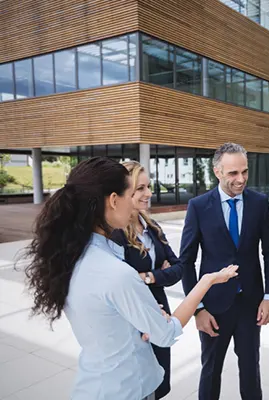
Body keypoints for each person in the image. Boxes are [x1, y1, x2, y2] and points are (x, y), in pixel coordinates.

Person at [23, 157, 238, 400]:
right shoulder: (116, 272)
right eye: (132, 192)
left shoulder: (74, 257)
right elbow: (166, 334)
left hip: (96, 384)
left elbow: (105, 313)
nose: (143, 198)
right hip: (126, 389)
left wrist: (140, 311)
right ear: (114, 200)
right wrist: (206, 281)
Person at [180, 143, 269, 400]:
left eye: (244, 172)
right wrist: (198, 309)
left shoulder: (259, 202)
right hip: (213, 307)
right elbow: (187, 261)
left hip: (250, 304)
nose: (241, 179)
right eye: (233, 173)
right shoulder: (198, 206)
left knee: (250, 370)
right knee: (210, 371)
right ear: (217, 172)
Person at [111, 161, 183, 399]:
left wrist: (149, 276)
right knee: (139, 387)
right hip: (134, 321)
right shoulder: (115, 235)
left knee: (158, 384)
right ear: (122, 193)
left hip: (159, 314)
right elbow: (120, 282)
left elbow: (178, 268)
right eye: (140, 188)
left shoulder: (151, 226)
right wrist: (158, 274)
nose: (148, 194)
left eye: (148, 187)